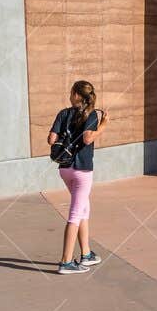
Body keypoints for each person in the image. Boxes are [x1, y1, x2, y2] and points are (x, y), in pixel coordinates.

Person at [47, 80, 105, 274]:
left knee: (83, 209)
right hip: (82, 170)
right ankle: (66, 261)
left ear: (77, 95)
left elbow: (51, 139)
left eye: (71, 92)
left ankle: (86, 254)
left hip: (65, 168)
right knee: (75, 214)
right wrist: (103, 126)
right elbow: (88, 138)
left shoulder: (63, 113)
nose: (69, 95)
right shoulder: (91, 115)